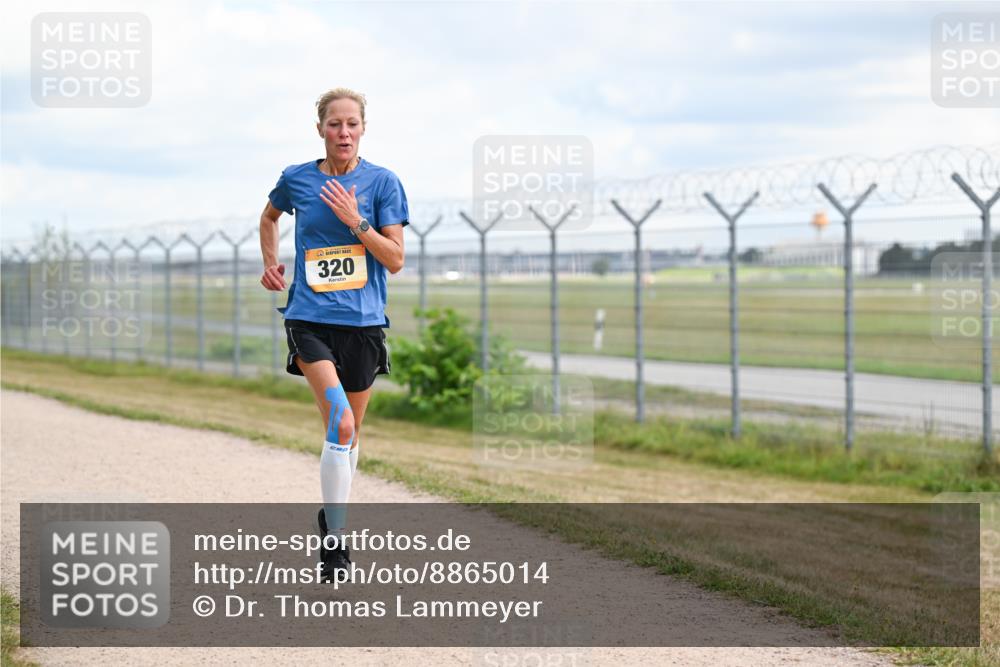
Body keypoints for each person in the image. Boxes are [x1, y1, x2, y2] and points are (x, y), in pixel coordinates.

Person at [259, 87, 408, 581]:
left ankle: (332, 514)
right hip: (310, 320)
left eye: (352, 124)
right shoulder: (297, 179)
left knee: (349, 434)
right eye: (334, 124)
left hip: (363, 325)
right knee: (341, 424)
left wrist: (356, 221)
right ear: (320, 129)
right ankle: (336, 543)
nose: (343, 133)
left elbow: (395, 259)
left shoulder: (383, 183)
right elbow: (269, 217)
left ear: (363, 129)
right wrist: (270, 261)